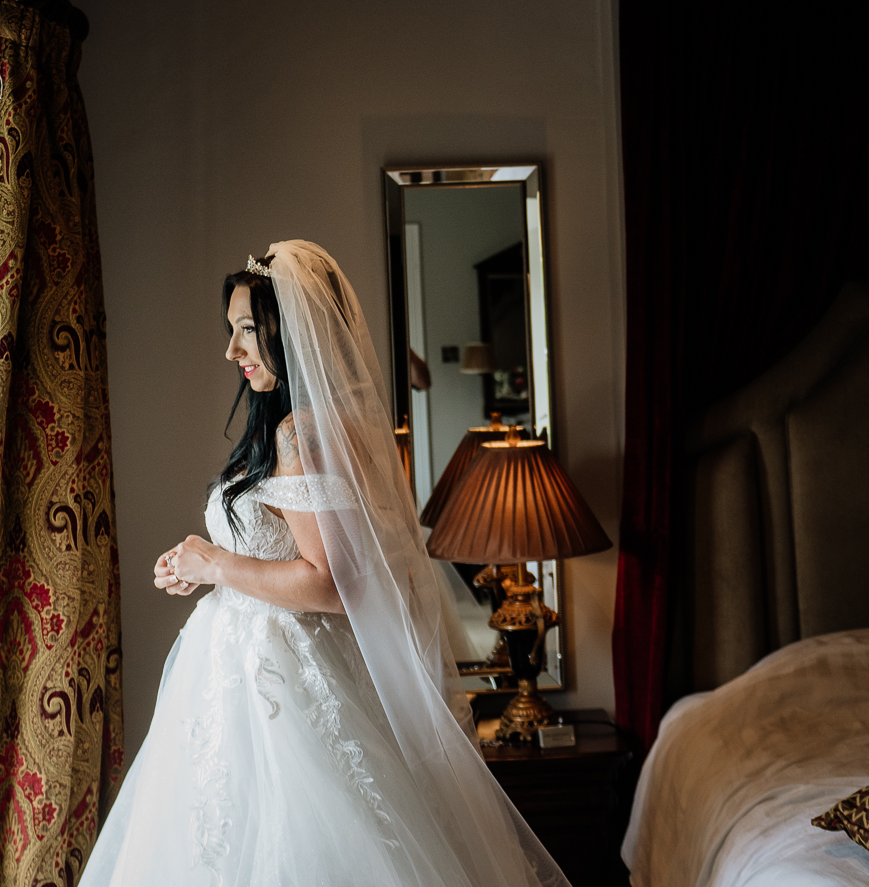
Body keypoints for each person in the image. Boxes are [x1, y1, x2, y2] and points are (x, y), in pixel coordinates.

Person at [80, 240, 571, 887]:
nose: (232, 351)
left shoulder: (302, 433)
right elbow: (284, 551)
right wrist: (199, 568)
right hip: (242, 675)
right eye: (231, 332)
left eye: (248, 331)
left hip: (280, 689)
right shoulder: (300, 426)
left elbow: (334, 584)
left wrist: (217, 566)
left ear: (291, 330)